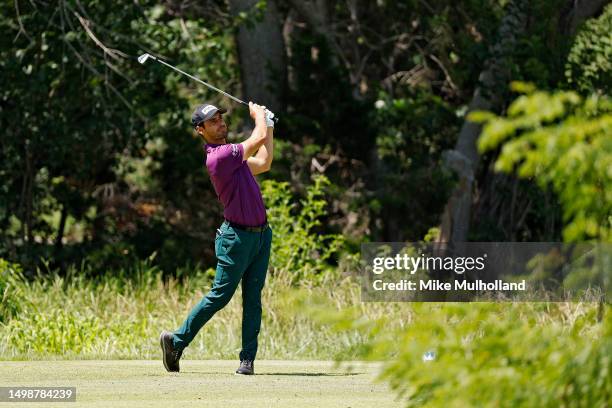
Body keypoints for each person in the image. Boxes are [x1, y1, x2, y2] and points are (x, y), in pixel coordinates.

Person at [160, 101, 275, 375]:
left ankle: (247, 360)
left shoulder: (236, 159)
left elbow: (265, 161)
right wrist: (259, 117)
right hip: (235, 238)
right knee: (220, 296)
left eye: (220, 118)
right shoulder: (219, 157)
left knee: (253, 298)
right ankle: (175, 342)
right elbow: (256, 138)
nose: (220, 123)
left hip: (260, 236)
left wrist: (268, 125)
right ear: (200, 130)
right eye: (212, 121)